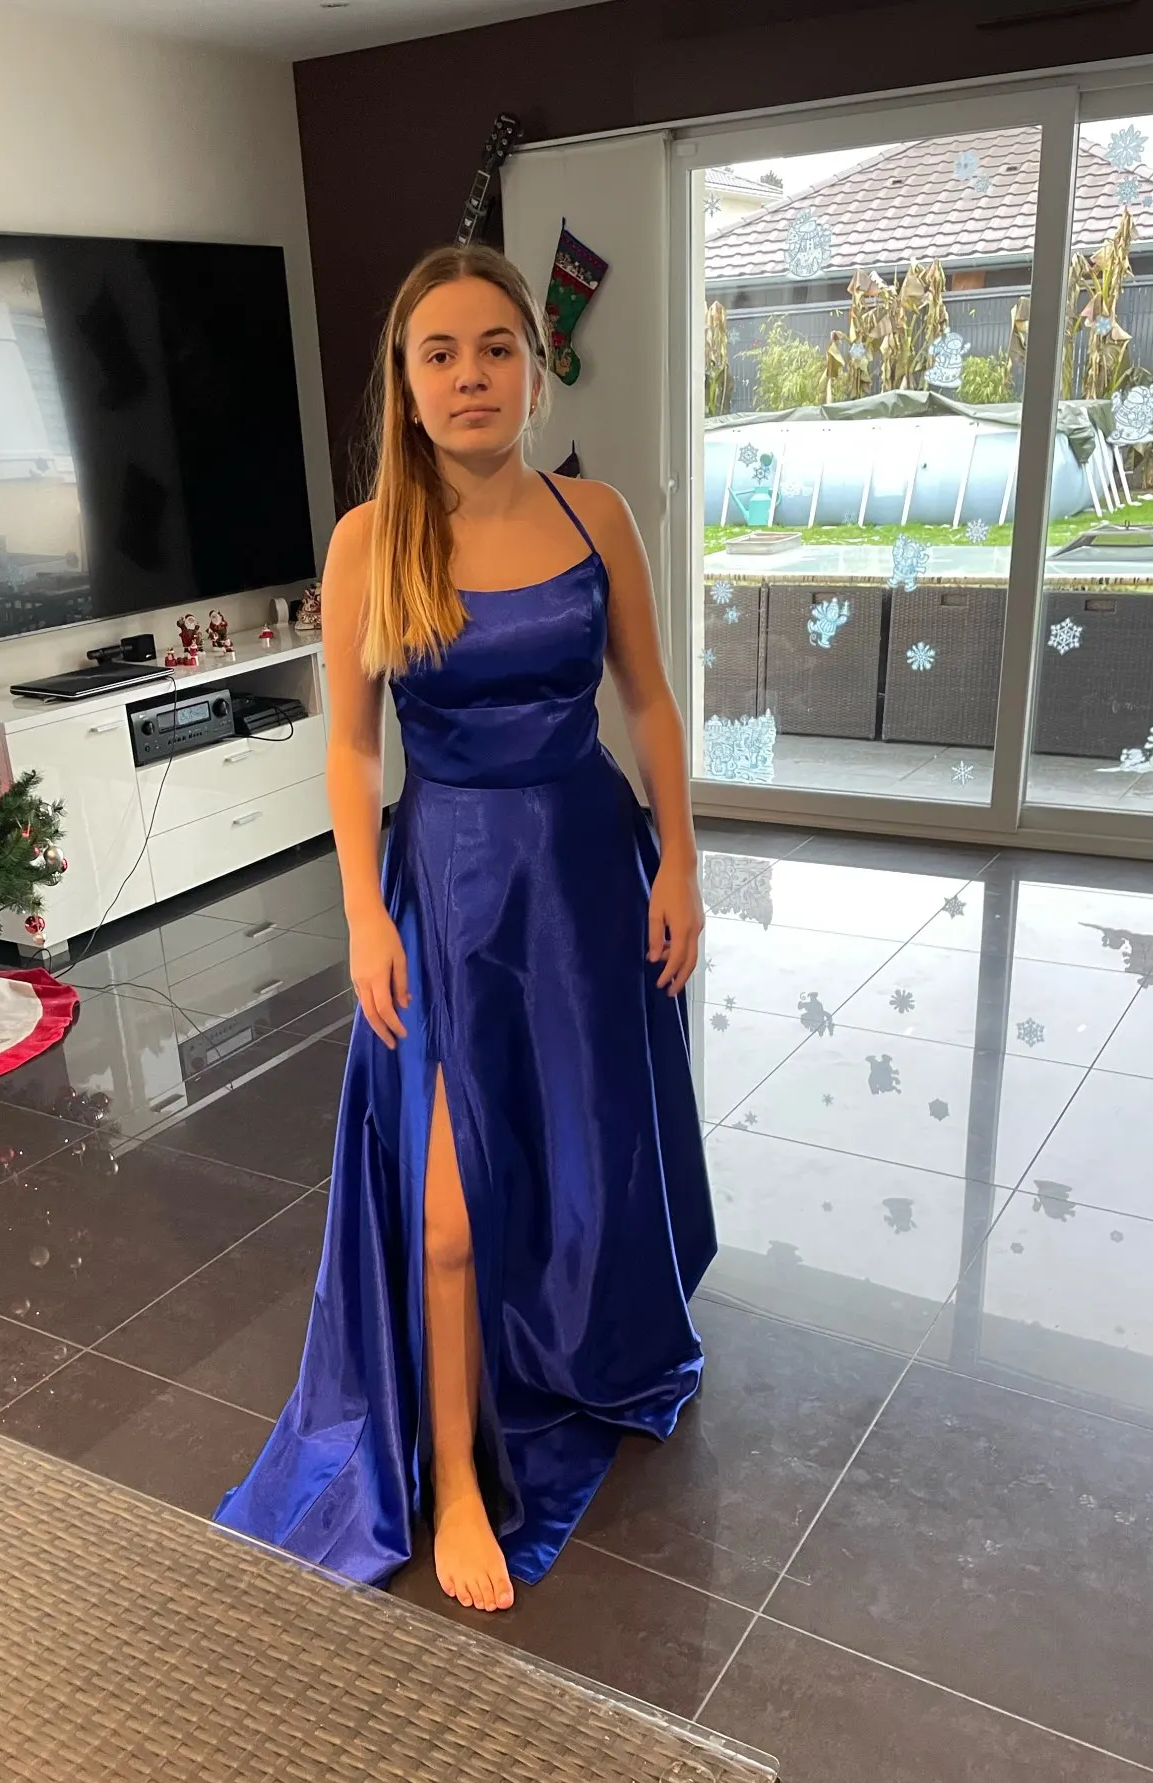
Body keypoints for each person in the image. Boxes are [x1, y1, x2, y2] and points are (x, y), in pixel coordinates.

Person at [213, 244, 715, 1613]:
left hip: (586, 874)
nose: (470, 375)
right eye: (440, 352)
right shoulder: (370, 540)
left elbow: (650, 702)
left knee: (586, 1148)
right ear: (406, 380)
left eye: (496, 347)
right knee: (445, 1214)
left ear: (535, 372)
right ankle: (450, 1485)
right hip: (448, 887)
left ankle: (575, 1342)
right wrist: (362, 913)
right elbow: (349, 749)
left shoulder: (596, 514)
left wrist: (681, 861)